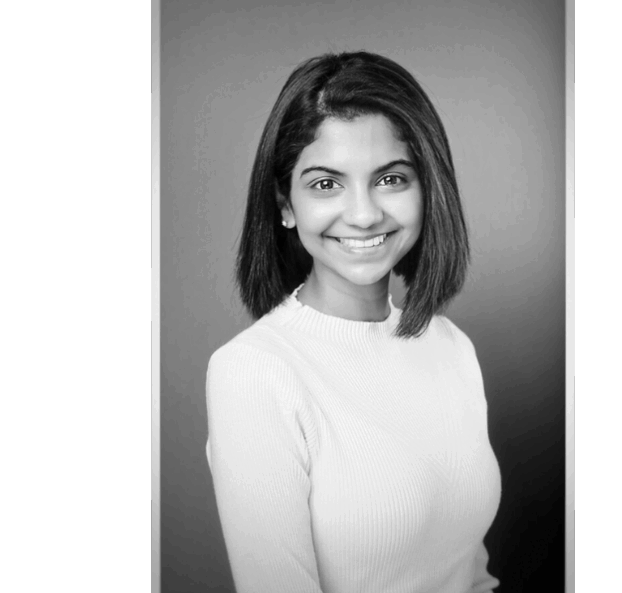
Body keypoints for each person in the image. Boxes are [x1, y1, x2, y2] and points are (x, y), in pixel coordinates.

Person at [205, 51, 502, 593]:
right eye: (325, 184)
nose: (363, 214)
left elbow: (470, 572)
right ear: (285, 203)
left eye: (391, 178)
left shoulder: (453, 347)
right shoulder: (253, 373)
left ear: (428, 188)